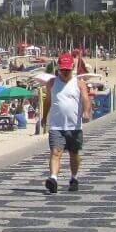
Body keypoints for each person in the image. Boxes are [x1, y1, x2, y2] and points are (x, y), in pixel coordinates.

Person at [42, 54, 93, 193]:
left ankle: (74, 178)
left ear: (72, 68)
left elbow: (86, 100)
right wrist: (44, 117)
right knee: (55, 152)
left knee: (74, 153)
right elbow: (47, 101)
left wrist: (87, 112)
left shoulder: (79, 83)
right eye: (62, 70)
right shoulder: (52, 83)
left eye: (67, 70)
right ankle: (53, 179)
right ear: (58, 68)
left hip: (74, 126)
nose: (64, 73)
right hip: (56, 126)